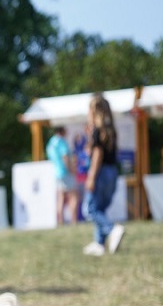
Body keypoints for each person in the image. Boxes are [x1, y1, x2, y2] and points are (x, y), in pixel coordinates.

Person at [83, 93, 124, 256]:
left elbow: (98, 154)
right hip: (112, 171)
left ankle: (112, 229)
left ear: (94, 111)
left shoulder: (97, 130)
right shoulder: (110, 130)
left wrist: (91, 177)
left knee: (90, 210)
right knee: (101, 208)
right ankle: (99, 243)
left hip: (100, 172)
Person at [46, 126, 78, 225]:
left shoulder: (51, 143)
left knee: (60, 197)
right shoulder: (61, 142)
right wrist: (70, 169)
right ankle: (73, 220)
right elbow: (65, 157)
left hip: (56, 173)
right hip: (65, 172)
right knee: (73, 195)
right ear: (61, 131)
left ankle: (60, 221)